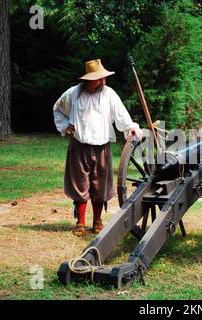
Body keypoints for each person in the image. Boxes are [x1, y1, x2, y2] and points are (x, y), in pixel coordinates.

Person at [53, 59, 142, 236]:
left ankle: (97, 221)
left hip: (102, 147)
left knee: (100, 185)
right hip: (79, 146)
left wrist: (130, 126)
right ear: (88, 80)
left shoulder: (109, 94)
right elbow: (57, 109)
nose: (102, 81)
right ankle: (81, 223)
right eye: (98, 79)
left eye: (103, 78)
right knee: (80, 184)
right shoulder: (73, 94)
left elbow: (121, 114)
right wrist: (65, 126)